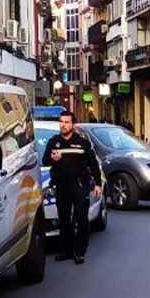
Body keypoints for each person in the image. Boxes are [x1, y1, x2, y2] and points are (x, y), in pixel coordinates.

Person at [42, 110, 102, 265]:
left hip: (80, 185)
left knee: (81, 219)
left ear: (73, 125)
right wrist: (53, 159)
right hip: (61, 186)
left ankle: (79, 251)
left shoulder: (81, 142)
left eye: (67, 122)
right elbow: (45, 161)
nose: (63, 125)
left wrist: (97, 183)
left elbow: (93, 163)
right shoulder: (53, 142)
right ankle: (67, 251)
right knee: (64, 220)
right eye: (61, 122)